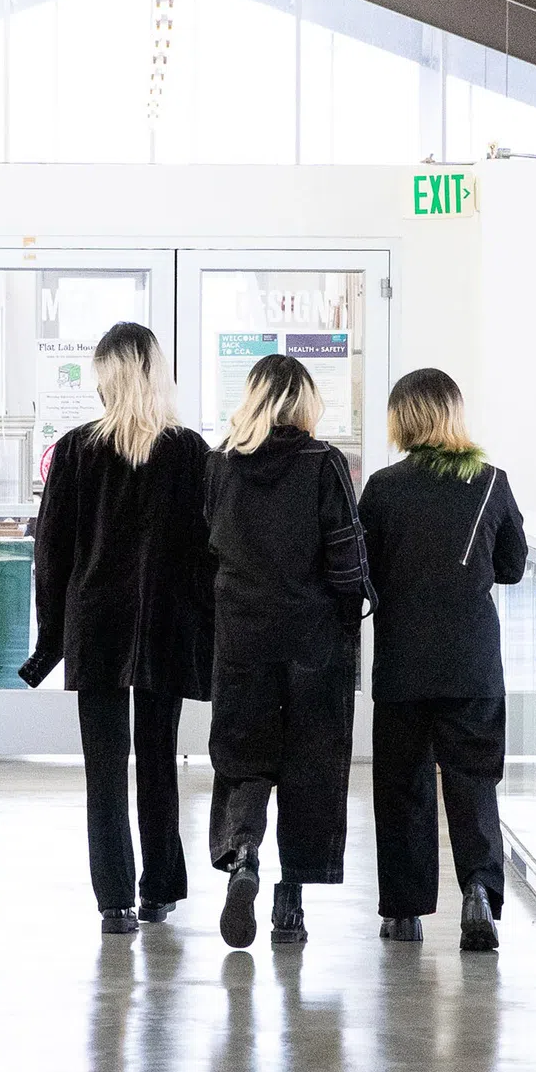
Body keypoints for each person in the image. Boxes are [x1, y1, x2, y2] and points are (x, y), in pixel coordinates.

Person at [19, 323, 215, 935]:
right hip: (167, 625)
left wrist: (50, 641)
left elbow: (50, 555)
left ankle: (113, 902)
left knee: (103, 767)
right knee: (159, 758)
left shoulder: (77, 451)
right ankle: (159, 890)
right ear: (158, 373)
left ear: (105, 377)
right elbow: (211, 554)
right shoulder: (190, 452)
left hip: (96, 626)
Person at [203, 353, 371, 949]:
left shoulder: (220, 464)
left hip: (242, 636)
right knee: (310, 766)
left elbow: (208, 550)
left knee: (245, 758)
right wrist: (353, 616)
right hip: (313, 641)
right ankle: (290, 905)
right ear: (302, 402)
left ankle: (244, 855)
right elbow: (346, 559)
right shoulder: (323, 464)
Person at [359, 367, 527, 951]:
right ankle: (478, 891)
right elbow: (511, 565)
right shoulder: (491, 482)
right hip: (472, 663)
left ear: (401, 418)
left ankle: (403, 914)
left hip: (403, 663)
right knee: (473, 781)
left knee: (403, 785)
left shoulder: (381, 488)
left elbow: (365, 572)